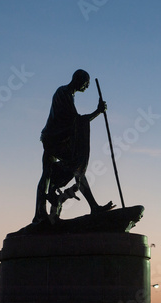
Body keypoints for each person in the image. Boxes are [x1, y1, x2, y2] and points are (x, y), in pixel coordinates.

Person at [33, 69, 114, 225]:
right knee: (68, 168)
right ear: (80, 80)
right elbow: (75, 121)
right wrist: (97, 112)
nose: (87, 87)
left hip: (58, 139)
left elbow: (73, 122)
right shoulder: (63, 93)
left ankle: (46, 212)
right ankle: (41, 213)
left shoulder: (68, 94)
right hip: (53, 140)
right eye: (87, 83)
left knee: (54, 173)